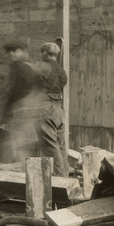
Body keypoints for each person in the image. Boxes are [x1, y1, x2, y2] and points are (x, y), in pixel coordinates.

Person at [0, 37, 47, 165]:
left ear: (22, 51)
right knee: (21, 145)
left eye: (14, 50)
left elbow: (15, 92)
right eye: (9, 51)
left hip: (21, 112)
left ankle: (20, 174)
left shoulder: (20, 68)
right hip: (28, 113)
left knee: (16, 145)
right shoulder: (28, 67)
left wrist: (5, 115)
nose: (11, 54)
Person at [36, 41, 69, 176]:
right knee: (60, 145)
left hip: (46, 106)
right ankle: (66, 177)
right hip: (59, 109)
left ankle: (61, 181)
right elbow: (63, 83)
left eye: (42, 52)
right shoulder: (61, 70)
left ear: (45, 53)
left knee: (50, 146)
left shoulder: (43, 67)